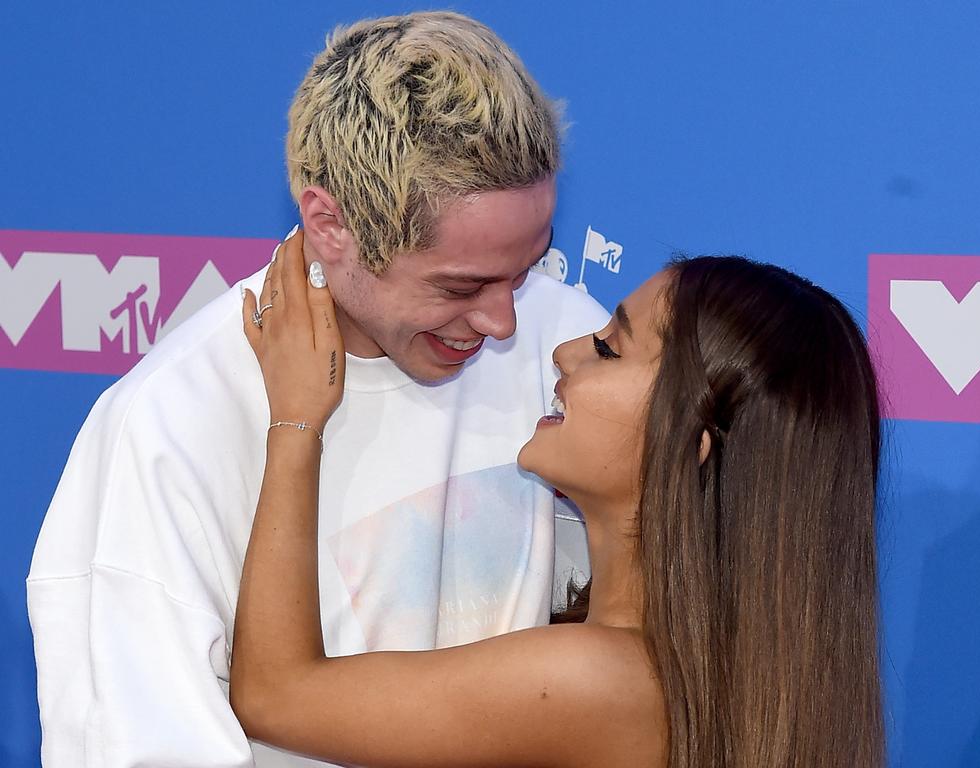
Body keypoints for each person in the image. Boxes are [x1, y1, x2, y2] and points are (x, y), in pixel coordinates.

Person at [27, 12, 608, 768]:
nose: (503, 321)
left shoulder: (578, 356)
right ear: (329, 224)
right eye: (461, 284)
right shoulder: (169, 424)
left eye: (528, 267)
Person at [230, 235, 886, 768]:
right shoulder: (706, 679)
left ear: (693, 445)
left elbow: (275, 695)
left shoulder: (601, 681)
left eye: (608, 349)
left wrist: (296, 420)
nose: (566, 353)